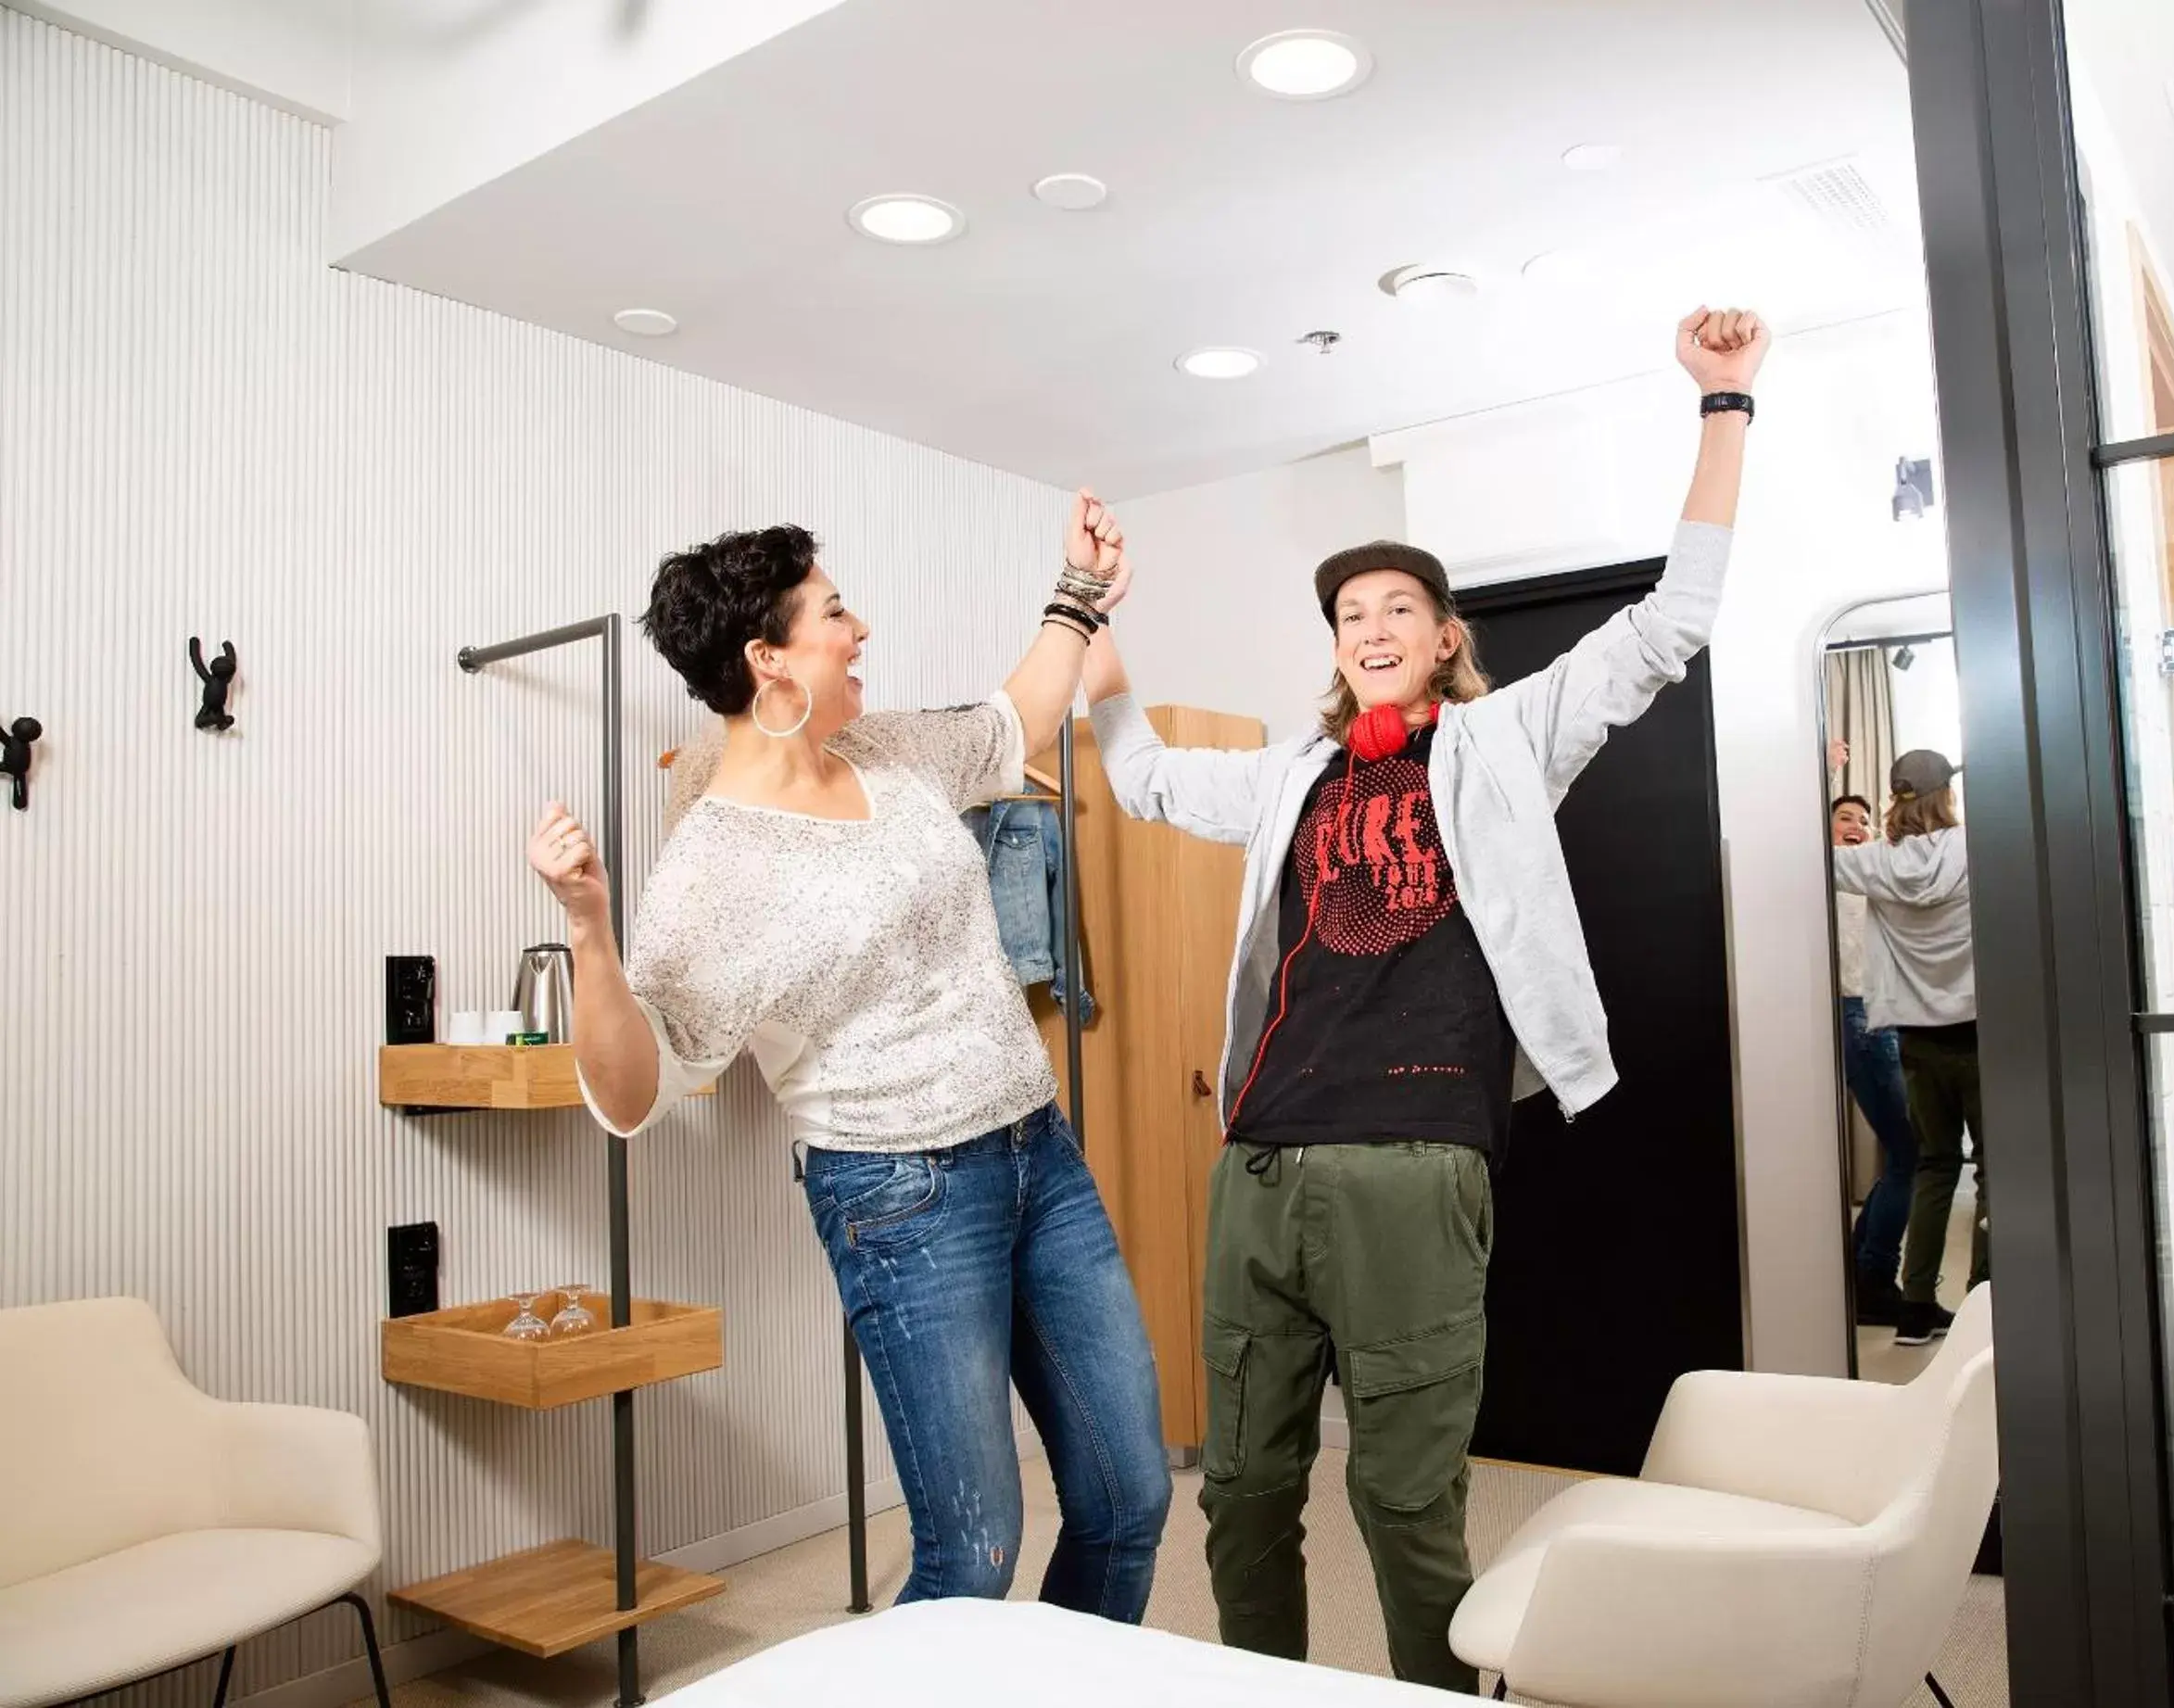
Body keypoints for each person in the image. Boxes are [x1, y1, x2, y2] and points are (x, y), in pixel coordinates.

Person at [1079, 308, 1767, 1691]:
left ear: (1445, 636)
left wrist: (1724, 406)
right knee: (1243, 1492)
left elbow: (1672, 622)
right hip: (1260, 1161)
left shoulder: (1506, 742)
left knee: (1402, 1499)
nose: (1371, 627)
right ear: (1335, 650)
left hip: (1412, 1163)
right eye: (1350, 614)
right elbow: (1144, 774)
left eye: (1398, 607)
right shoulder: (1289, 775)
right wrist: (1092, 630)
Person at [524, 500, 1171, 1620]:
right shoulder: (713, 866)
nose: (859, 627)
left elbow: (1010, 723)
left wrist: (1075, 588)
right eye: (833, 612)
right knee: (972, 1553)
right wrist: (589, 930)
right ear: (767, 659)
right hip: (902, 1195)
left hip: (1036, 1152)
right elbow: (635, 1094)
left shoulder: (886, 751)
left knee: (1130, 1495)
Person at [1832, 747, 1980, 1348]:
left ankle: (1914, 1305)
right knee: (1987, 1172)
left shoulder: (1872, 862)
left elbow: (1793, 852)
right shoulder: (1973, 847)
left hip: (1913, 1036)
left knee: (1931, 1165)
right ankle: (1980, 1308)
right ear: (1945, 795)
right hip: (1976, 1029)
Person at [1831, 789, 1919, 1328]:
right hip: (1858, 1015)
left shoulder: (1863, 874)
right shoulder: (1826, 867)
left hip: (1876, 1015)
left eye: (1864, 821)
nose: (1857, 826)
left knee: (1905, 1150)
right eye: (1845, 817)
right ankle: (1873, 1279)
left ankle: (1861, 1270)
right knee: (1912, 1153)